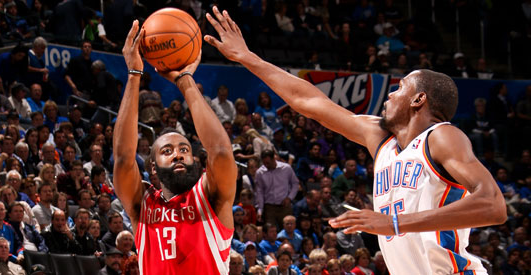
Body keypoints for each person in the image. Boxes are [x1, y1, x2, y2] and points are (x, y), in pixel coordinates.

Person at [205, 7, 507, 274]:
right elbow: (309, 101)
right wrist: (246, 57)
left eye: (399, 88)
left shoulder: (441, 136)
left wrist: (394, 223)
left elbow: (494, 205)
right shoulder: (381, 139)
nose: (389, 94)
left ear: (419, 99)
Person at [114, 20, 237, 274]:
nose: (179, 154)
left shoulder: (211, 197)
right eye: (167, 152)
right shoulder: (143, 204)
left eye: (184, 149)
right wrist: (134, 74)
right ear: (153, 169)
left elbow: (221, 151)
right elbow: (124, 158)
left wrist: (185, 82)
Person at [255, 150, 299, 229]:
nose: (266, 165)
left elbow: (295, 183)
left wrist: (289, 198)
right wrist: (260, 209)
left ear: (273, 159)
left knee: (288, 229)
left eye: (268, 163)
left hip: (284, 206)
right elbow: (259, 192)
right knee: (270, 231)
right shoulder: (260, 172)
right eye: (264, 163)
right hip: (269, 207)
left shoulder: (286, 168)